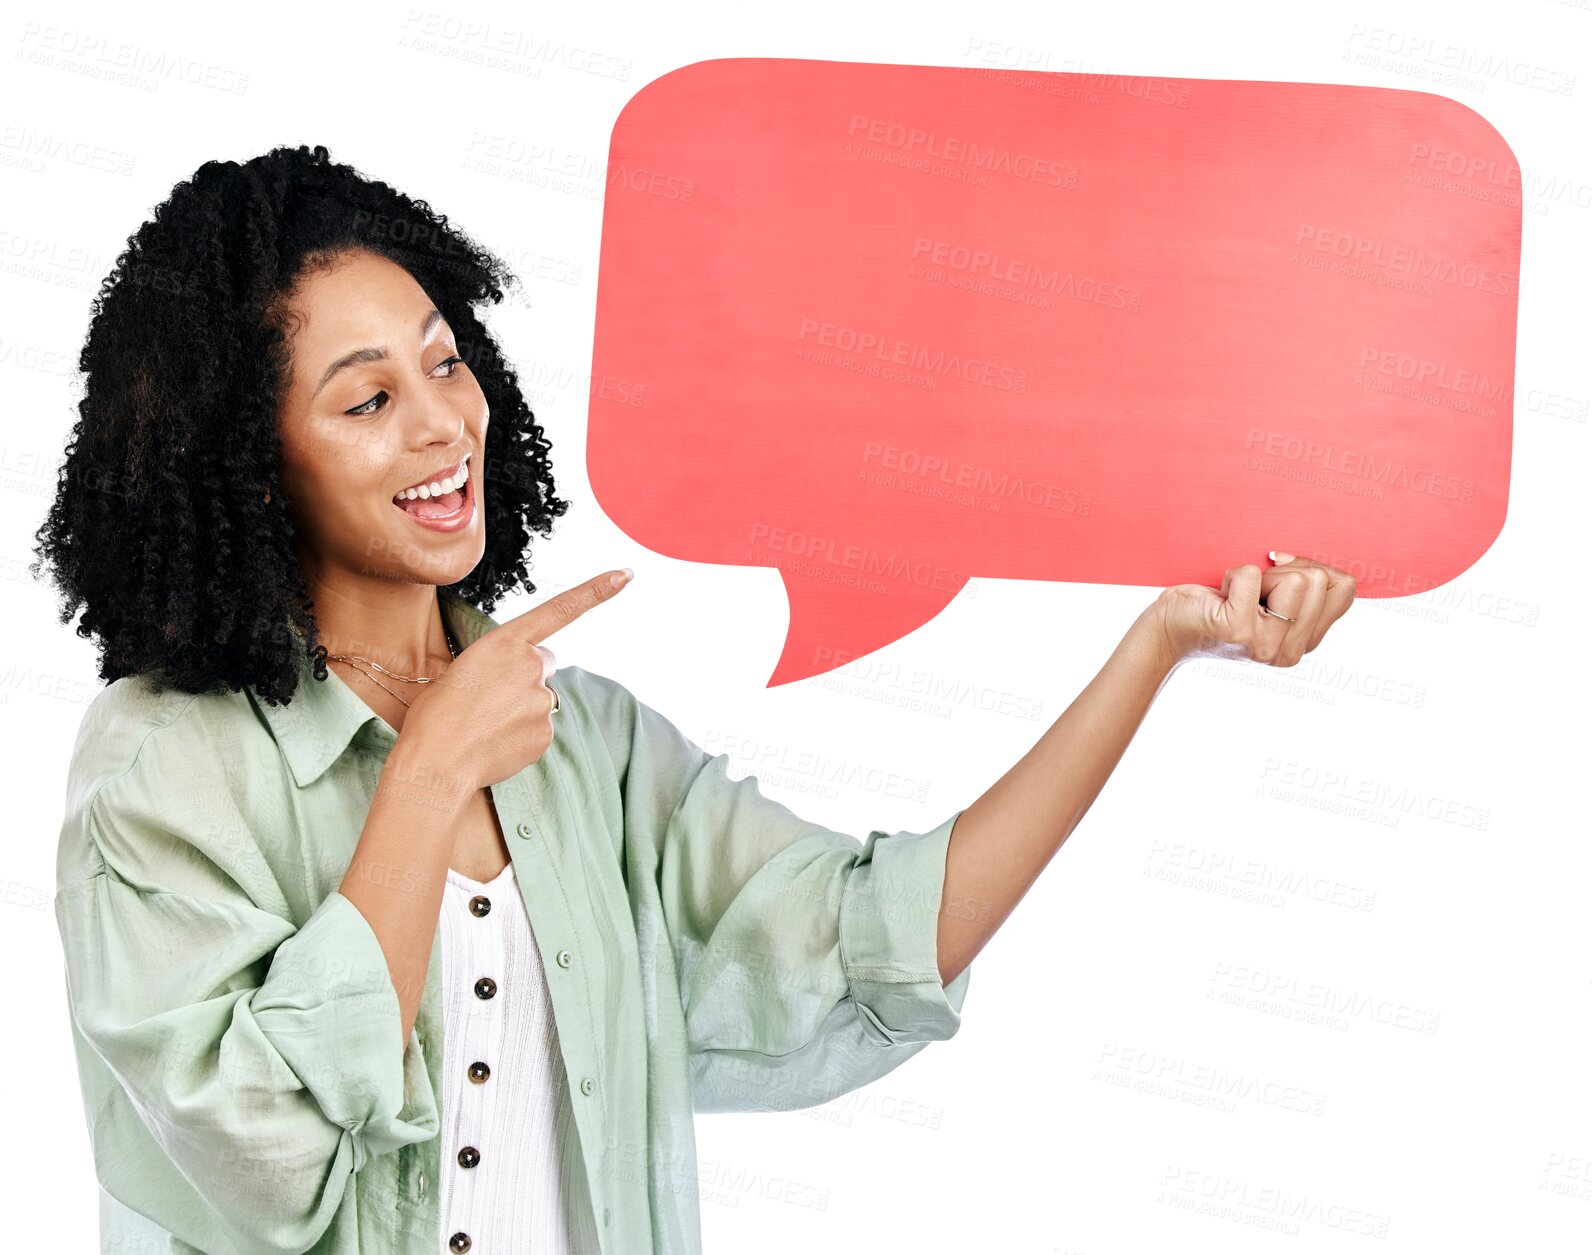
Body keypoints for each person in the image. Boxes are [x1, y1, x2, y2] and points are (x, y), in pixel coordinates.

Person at [32, 144, 1356, 1255]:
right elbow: (268, 1167)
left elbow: (864, 939)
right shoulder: (162, 771)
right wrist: (428, 774)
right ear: (252, 468)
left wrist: (1158, 645)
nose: (443, 424)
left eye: (446, 363)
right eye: (368, 398)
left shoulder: (584, 744)